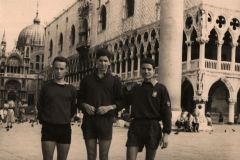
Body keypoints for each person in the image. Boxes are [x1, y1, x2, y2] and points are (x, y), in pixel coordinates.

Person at [122, 58, 172, 160]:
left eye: (149, 69)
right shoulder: (136, 88)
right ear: (140, 70)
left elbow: (166, 112)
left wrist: (166, 133)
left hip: (153, 127)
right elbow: (123, 101)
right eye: (144, 69)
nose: (146, 72)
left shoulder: (161, 89)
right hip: (136, 126)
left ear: (154, 71)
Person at [78, 48, 122, 160]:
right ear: (96, 62)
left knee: (104, 156)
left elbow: (121, 101)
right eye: (100, 60)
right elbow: (79, 99)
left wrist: (109, 107)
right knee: (91, 156)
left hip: (106, 122)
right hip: (89, 121)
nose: (103, 63)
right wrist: (85, 105)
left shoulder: (115, 80)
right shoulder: (86, 80)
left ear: (109, 62)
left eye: (105, 61)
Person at [37, 56, 77, 160]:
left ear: (67, 70)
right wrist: (44, 120)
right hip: (48, 128)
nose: (59, 71)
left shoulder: (71, 89)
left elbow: (73, 108)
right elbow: (40, 105)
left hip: (64, 129)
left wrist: (66, 118)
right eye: (56, 68)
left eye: (62, 69)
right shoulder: (46, 87)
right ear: (53, 69)